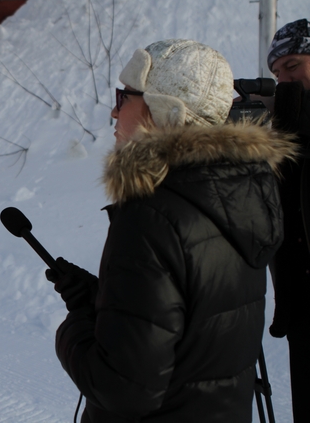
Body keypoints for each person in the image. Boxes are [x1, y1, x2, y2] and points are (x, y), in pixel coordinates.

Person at [47, 39, 297, 422]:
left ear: (164, 110)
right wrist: (101, 301)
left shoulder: (151, 215)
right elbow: (196, 325)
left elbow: (122, 389)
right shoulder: (239, 193)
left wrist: (74, 327)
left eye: (124, 97)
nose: (114, 112)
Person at [266, 18, 310, 422]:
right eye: (277, 73)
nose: (285, 80)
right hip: (300, 308)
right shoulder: (288, 124)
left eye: (293, 65)